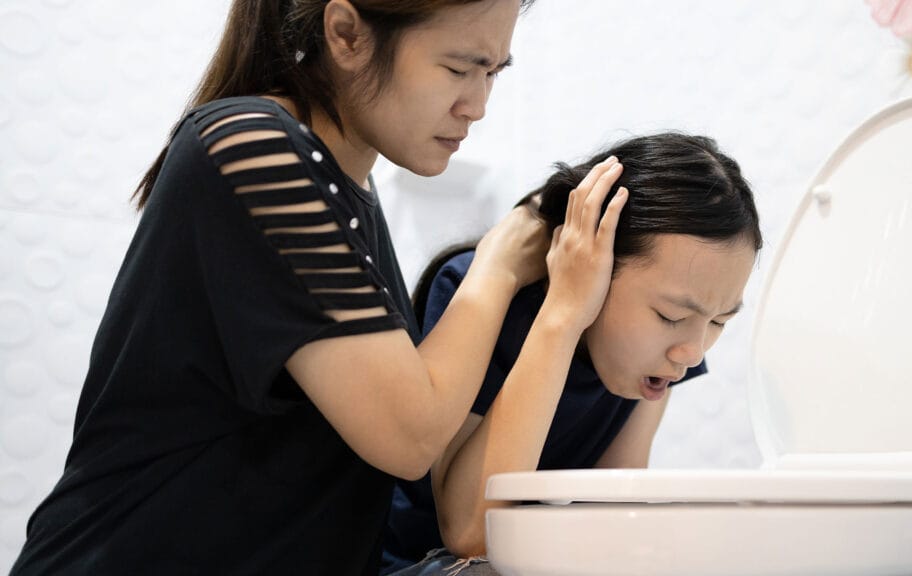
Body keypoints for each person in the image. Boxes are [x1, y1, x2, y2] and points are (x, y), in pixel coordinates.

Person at [4, 1, 629, 575]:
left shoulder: (349, 193)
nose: (477, 104)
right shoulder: (250, 144)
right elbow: (411, 435)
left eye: (493, 72)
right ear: (347, 34)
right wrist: (498, 263)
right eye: (460, 68)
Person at [383, 132, 763, 575]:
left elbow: (611, 512)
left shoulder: (656, 358)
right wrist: (563, 315)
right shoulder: (481, 296)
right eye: (670, 316)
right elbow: (471, 534)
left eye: (719, 321)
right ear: (591, 261)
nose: (693, 352)